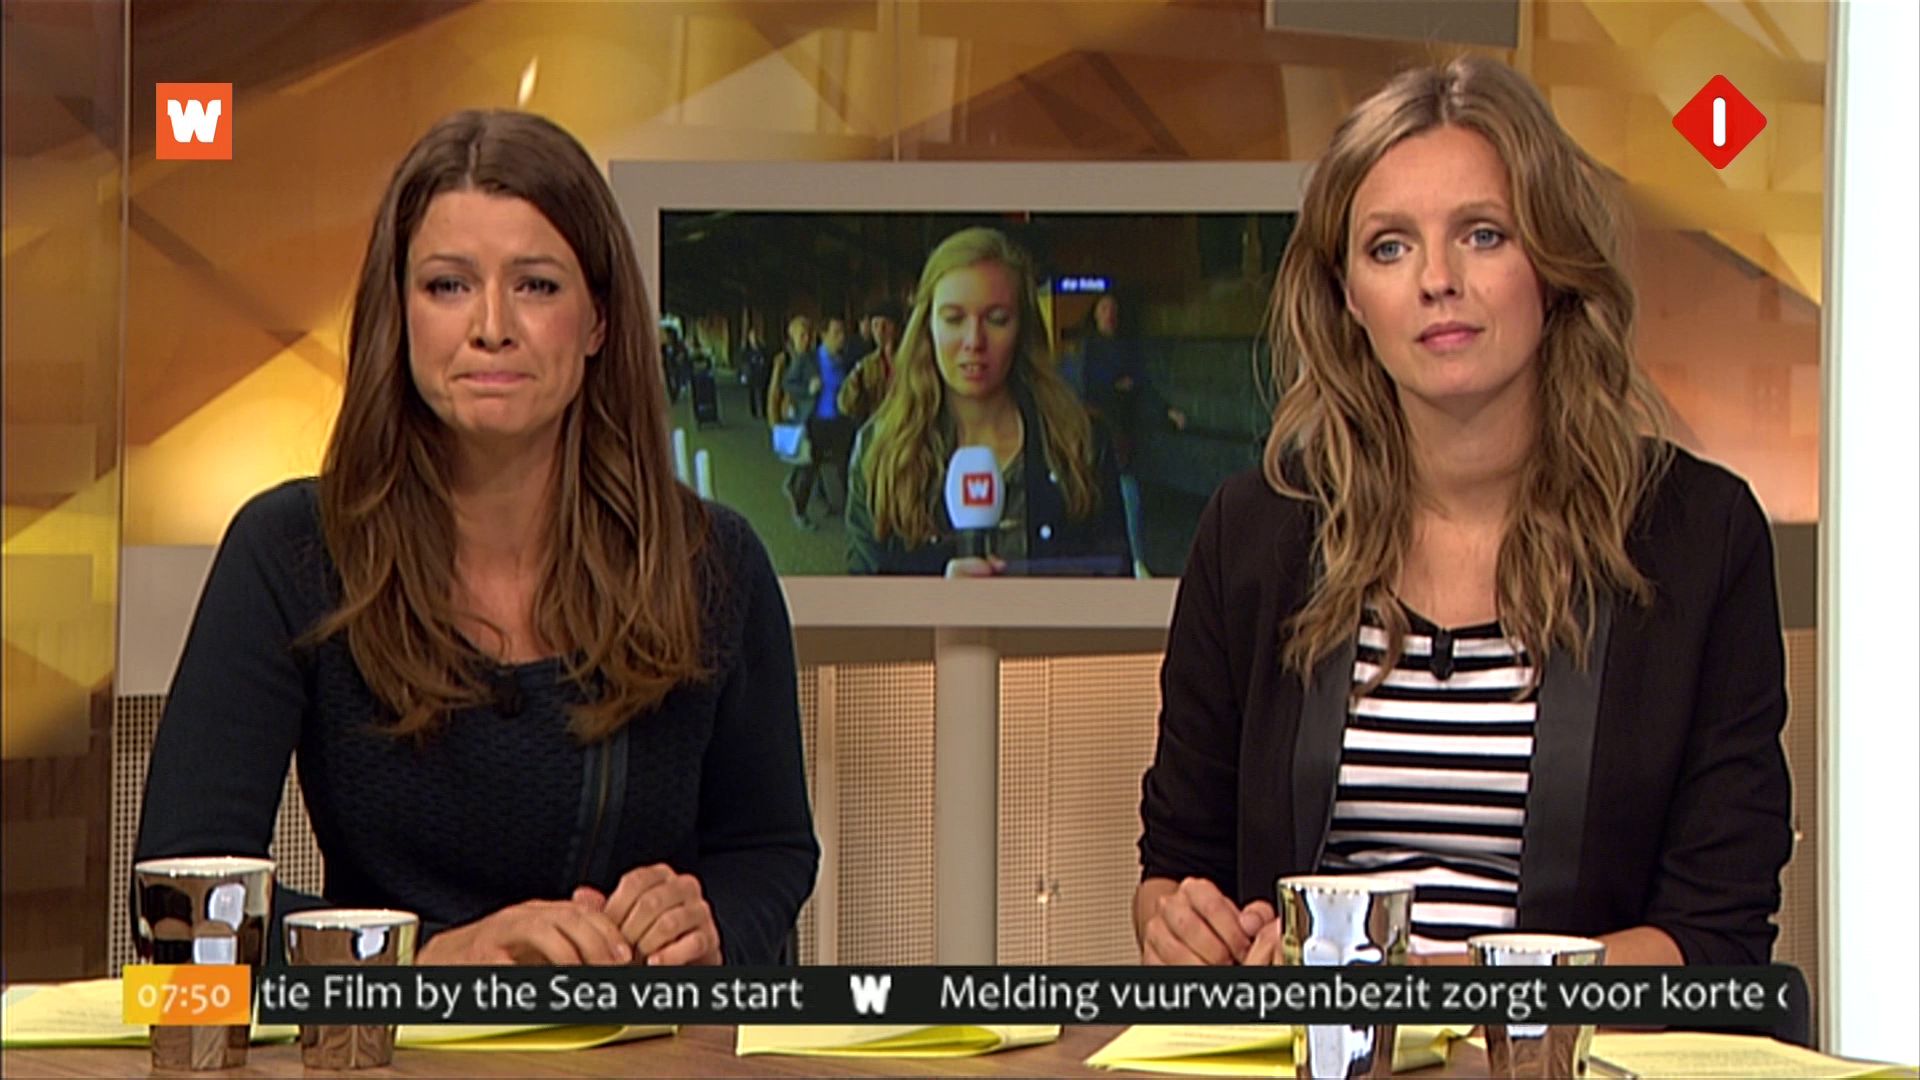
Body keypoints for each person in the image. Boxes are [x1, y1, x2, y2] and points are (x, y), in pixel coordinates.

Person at [1136, 56, 1790, 969]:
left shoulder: (1696, 537)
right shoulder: (1255, 533)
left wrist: (1427, 990)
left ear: (1553, 265)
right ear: (1347, 296)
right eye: (1389, 247)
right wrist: (1178, 922)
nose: (1437, 279)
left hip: (1568, 1048)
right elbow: (1176, 867)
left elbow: (1716, 936)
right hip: (1312, 1043)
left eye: (1483, 235)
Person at [133, 110, 818, 968]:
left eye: (537, 286)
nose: (492, 325)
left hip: (643, 1036)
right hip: (387, 1037)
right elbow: (185, 902)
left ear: (599, 321)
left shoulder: (712, 563)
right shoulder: (290, 553)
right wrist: (427, 961)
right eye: (449, 285)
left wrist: (707, 920)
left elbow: (768, 850)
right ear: (400, 314)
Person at [846, 227, 1132, 576]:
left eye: (997, 319)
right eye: (954, 319)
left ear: (1022, 329)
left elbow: (1116, 585)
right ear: (927, 327)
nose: (974, 340)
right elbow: (862, 597)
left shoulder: (1082, 442)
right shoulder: (879, 450)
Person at [1069, 292, 1187, 576]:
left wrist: (1167, 410)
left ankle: (1134, 558)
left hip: (1122, 433)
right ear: (1095, 314)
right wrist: (1115, 386)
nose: (1110, 315)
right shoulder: (1087, 350)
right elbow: (1086, 389)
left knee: (1127, 493)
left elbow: (1142, 384)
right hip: (1099, 432)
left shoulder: (1126, 348)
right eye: (1104, 309)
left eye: (1113, 309)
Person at [781, 316, 858, 527]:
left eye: (843, 333)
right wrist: (808, 389)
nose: (841, 338)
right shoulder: (808, 359)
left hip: (839, 422)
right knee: (810, 470)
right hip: (815, 423)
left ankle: (849, 511)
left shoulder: (843, 361)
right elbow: (788, 383)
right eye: (836, 333)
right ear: (824, 336)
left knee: (845, 467)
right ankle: (800, 511)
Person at [835, 298, 903, 424]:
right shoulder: (867, 365)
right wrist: (854, 386)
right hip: (879, 426)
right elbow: (844, 406)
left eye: (886, 324)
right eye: (875, 325)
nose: (880, 330)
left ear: (897, 328)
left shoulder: (911, 360)